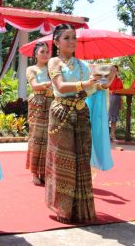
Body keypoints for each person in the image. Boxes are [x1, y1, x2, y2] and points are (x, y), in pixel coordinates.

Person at [46, 23, 98, 224]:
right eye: (66, 38)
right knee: (63, 160)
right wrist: (84, 85)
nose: (71, 41)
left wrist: (102, 80)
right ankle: (63, 208)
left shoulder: (83, 65)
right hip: (61, 113)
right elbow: (60, 86)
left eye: (73, 37)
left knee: (81, 159)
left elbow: (91, 90)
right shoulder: (54, 63)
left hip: (81, 112)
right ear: (56, 42)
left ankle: (80, 209)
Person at [25, 41, 53, 186]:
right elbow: (35, 86)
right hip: (37, 102)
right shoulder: (31, 69)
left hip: (51, 103)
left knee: (49, 139)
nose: (45, 54)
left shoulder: (52, 69)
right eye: (42, 51)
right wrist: (51, 84)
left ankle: (45, 172)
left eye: (47, 52)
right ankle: (35, 173)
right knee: (36, 138)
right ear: (35, 54)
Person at [86, 65, 117, 171]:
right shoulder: (91, 79)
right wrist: (112, 75)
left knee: (98, 132)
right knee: (93, 132)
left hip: (99, 109)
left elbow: (105, 84)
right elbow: (105, 86)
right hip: (93, 108)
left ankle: (94, 161)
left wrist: (110, 75)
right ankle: (91, 160)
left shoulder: (101, 78)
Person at [108, 65, 123, 142]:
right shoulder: (106, 80)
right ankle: (105, 135)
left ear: (117, 71)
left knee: (114, 119)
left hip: (116, 100)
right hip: (107, 100)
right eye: (112, 70)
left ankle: (113, 134)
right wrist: (110, 91)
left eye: (115, 70)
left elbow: (121, 92)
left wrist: (121, 103)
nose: (114, 72)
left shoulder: (119, 80)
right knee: (106, 119)